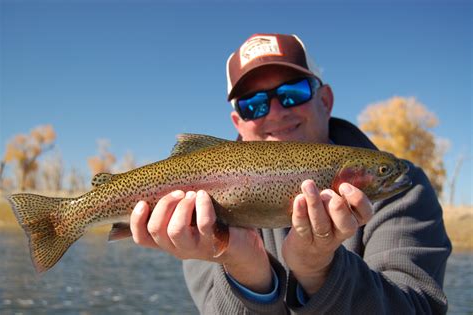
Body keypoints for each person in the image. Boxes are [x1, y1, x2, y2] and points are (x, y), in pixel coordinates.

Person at [129, 33, 451, 314]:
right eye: (253, 104)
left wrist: (320, 272)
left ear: (325, 100)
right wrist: (245, 268)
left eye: (292, 93)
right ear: (237, 123)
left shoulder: (405, 192)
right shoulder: (200, 205)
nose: (276, 112)